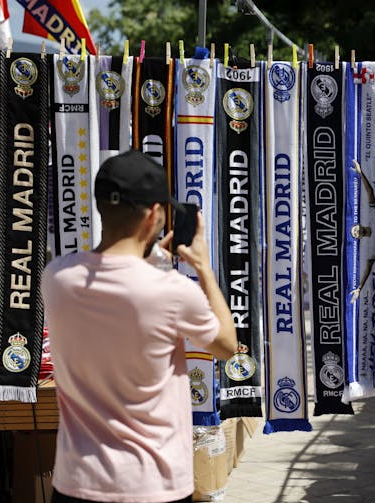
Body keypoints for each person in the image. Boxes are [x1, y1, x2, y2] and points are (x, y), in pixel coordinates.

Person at [41, 150, 237, 503]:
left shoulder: (56, 278)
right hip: (152, 483)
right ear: (154, 215)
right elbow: (225, 345)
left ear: (101, 206)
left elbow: (121, 289)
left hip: (77, 482)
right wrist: (204, 268)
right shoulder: (173, 292)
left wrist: (152, 261)